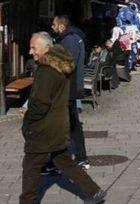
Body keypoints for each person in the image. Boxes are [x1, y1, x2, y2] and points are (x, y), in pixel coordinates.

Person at [20, 32, 106, 204]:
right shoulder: (59, 65)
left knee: (30, 167)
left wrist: (28, 119)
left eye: (33, 48)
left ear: (46, 48)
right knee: (64, 161)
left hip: (44, 128)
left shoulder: (46, 70)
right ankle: (93, 191)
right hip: (58, 124)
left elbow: (40, 103)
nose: (31, 52)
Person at [51, 15, 89, 170]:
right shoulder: (73, 37)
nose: (51, 27)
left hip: (67, 87)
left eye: (53, 24)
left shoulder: (70, 39)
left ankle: (60, 161)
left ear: (61, 26)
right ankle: (79, 158)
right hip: (70, 87)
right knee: (71, 124)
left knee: (61, 125)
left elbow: (67, 64)